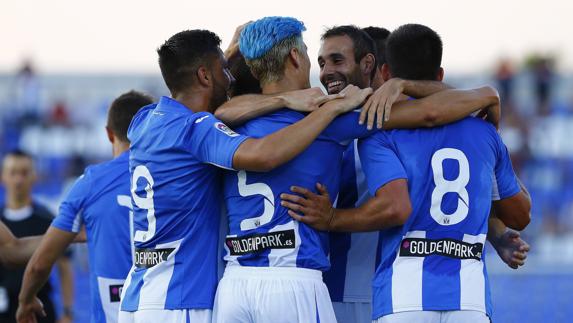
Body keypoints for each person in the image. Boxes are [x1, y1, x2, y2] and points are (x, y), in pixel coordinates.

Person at [282, 23, 531, 323]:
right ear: (438, 75)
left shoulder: (372, 131)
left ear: (380, 70)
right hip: (356, 291)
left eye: (337, 60)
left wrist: (496, 232)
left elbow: (423, 191)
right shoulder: (478, 128)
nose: (326, 72)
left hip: (392, 294)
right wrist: (488, 95)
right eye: (322, 63)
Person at [118, 28, 367, 323]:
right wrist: (329, 109)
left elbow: (217, 99)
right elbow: (264, 155)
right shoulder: (196, 129)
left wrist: (233, 53)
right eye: (224, 70)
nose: (232, 78)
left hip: (138, 295)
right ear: (205, 76)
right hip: (180, 298)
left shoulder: (144, 119)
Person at [16, 91, 154, 323]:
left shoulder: (91, 183)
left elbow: (40, 264)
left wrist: (25, 300)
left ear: (109, 134)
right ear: (151, 130)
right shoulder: (178, 177)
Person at [0, 151, 74, 323]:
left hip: (39, 311)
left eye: (24, 173)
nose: (18, 180)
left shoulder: (49, 220)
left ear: (34, 176)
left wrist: (68, 311)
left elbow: (64, 267)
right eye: (13, 173)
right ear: (3, 176)